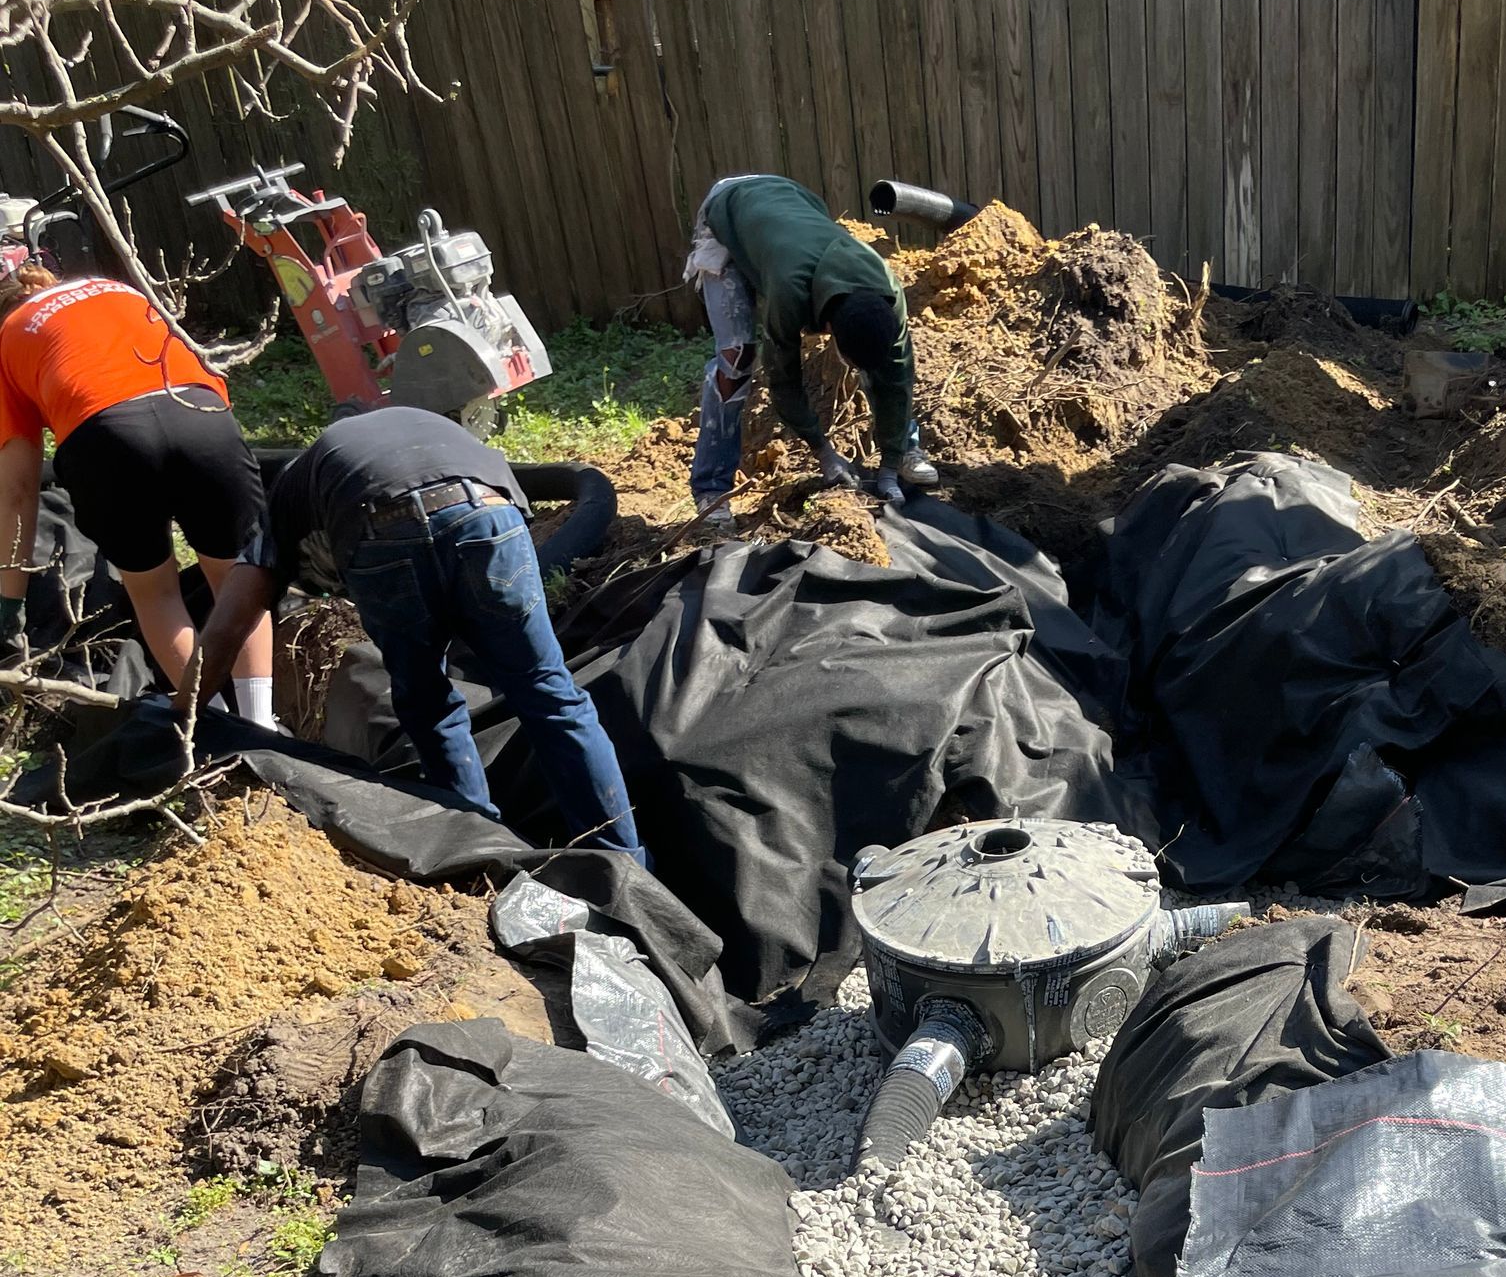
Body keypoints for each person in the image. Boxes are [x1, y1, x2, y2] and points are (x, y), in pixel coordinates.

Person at [182, 405, 644, 858]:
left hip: (381, 526)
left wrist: (180, 722)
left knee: (428, 705)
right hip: (491, 512)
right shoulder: (424, 426)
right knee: (549, 694)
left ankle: (479, 853)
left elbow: (227, 627)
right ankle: (621, 864)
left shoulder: (292, 489)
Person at [0, 260, 275, 725]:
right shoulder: (120, 288)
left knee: (156, 594)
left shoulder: (9, 336)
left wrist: (9, 603)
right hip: (199, 412)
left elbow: (19, 489)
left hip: (104, 439)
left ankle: (211, 728)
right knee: (239, 579)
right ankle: (262, 724)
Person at [684, 173, 939, 531]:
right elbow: (783, 379)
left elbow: (897, 373)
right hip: (730, 209)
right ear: (829, 328)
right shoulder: (790, 292)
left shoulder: (888, 290)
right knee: (736, 358)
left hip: (792, 198)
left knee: (882, 362)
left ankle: (904, 449)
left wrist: (889, 467)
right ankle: (711, 490)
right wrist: (824, 452)